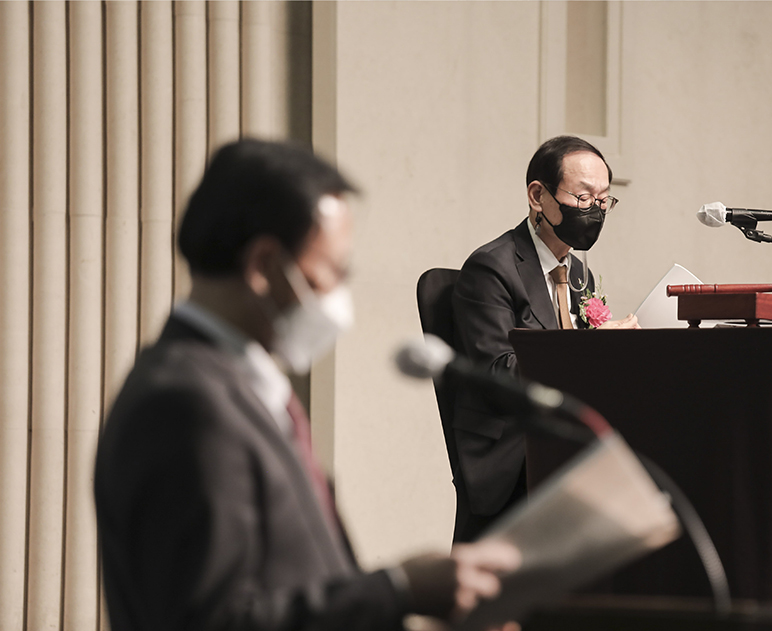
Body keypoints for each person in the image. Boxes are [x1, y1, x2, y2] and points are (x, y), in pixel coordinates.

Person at [94, 139, 519, 631]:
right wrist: (399, 589)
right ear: (262, 266)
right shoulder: (183, 402)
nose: (340, 302)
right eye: (331, 273)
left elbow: (303, 587)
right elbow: (211, 619)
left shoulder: (243, 384)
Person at [450, 135, 640, 542]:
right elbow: (497, 376)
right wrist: (593, 351)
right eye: (584, 198)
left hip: (564, 440)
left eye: (604, 201)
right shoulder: (492, 268)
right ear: (539, 196)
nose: (595, 211)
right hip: (514, 450)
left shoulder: (579, 275)